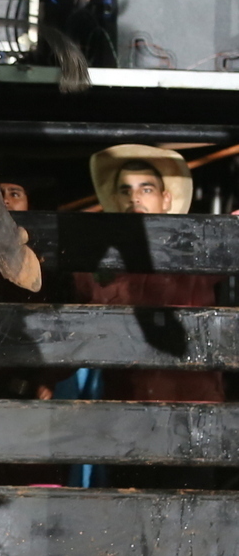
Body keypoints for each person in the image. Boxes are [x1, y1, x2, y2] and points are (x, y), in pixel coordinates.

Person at [74, 145, 224, 403]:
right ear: (116, 199)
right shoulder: (96, 263)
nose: (135, 198)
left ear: (165, 199)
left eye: (146, 189)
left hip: (193, 407)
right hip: (126, 404)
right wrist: (45, 378)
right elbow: (73, 328)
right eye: (126, 191)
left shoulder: (194, 247)